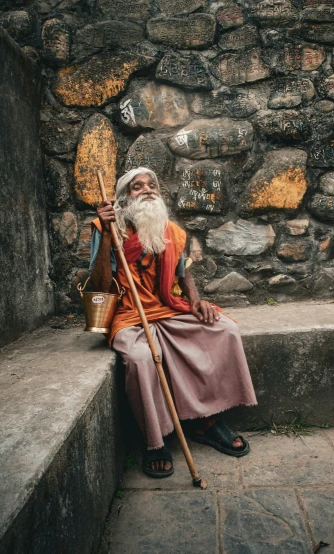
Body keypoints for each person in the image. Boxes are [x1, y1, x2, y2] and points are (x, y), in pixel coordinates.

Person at [89, 167, 257, 478]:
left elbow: (183, 273)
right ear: (123, 199)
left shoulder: (171, 230)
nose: (147, 190)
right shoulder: (106, 229)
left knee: (225, 330)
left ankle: (207, 420)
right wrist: (108, 238)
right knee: (140, 359)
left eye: (151, 185)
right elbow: (98, 286)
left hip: (170, 308)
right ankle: (154, 441)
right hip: (129, 315)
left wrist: (195, 301)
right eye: (137, 187)